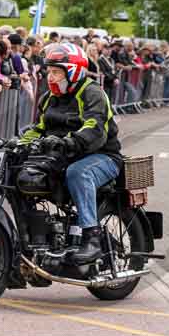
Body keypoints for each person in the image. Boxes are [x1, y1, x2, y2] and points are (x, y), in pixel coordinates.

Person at [19, 43, 122, 264]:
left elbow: (95, 128)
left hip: (102, 156)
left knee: (78, 173)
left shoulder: (92, 92)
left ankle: (91, 238)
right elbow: (39, 128)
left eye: (56, 72)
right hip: (65, 155)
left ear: (72, 71)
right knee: (18, 170)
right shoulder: (49, 98)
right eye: (49, 72)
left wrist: (68, 142)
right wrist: (16, 143)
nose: (50, 77)